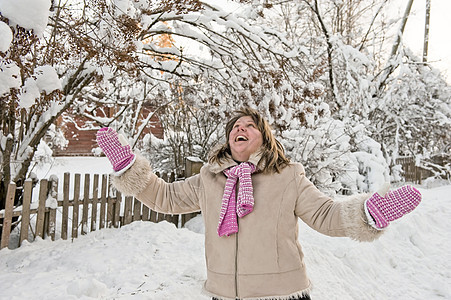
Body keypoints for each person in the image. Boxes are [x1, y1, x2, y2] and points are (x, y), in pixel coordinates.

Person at [96, 107, 422, 300]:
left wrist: (368, 213)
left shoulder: (288, 175)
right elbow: (164, 197)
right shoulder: (209, 179)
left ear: (263, 137)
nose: (240, 128)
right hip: (224, 294)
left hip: (281, 295)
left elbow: (326, 215)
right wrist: (129, 168)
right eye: (235, 126)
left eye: (249, 125)